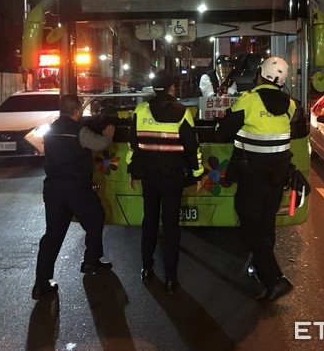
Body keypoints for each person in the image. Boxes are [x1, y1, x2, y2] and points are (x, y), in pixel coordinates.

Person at [216, 56, 296, 303]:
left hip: (252, 176)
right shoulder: (291, 105)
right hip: (277, 176)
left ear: (260, 75)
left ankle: (274, 279)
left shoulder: (248, 101)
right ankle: (263, 273)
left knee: (250, 228)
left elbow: (223, 131)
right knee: (266, 224)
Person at [126, 70, 204, 294]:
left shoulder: (140, 112)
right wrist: (198, 173)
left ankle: (147, 269)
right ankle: (171, 278)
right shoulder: (183, 113)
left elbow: (133, 146)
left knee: (149, 222)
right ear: (171, 87)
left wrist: (131, 170)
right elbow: (192, 149)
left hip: (149, 178)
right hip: (173, 179)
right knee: (171, 227)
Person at [32, 94, 115, 300]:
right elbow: (100, 144)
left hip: (53, 189)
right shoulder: (79, 131)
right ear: (77, 111)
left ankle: (40, 283)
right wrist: (108, 135)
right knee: (96, 218)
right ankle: (90, 260)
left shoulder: (50, 130)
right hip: (76, 188)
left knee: (52, 235)